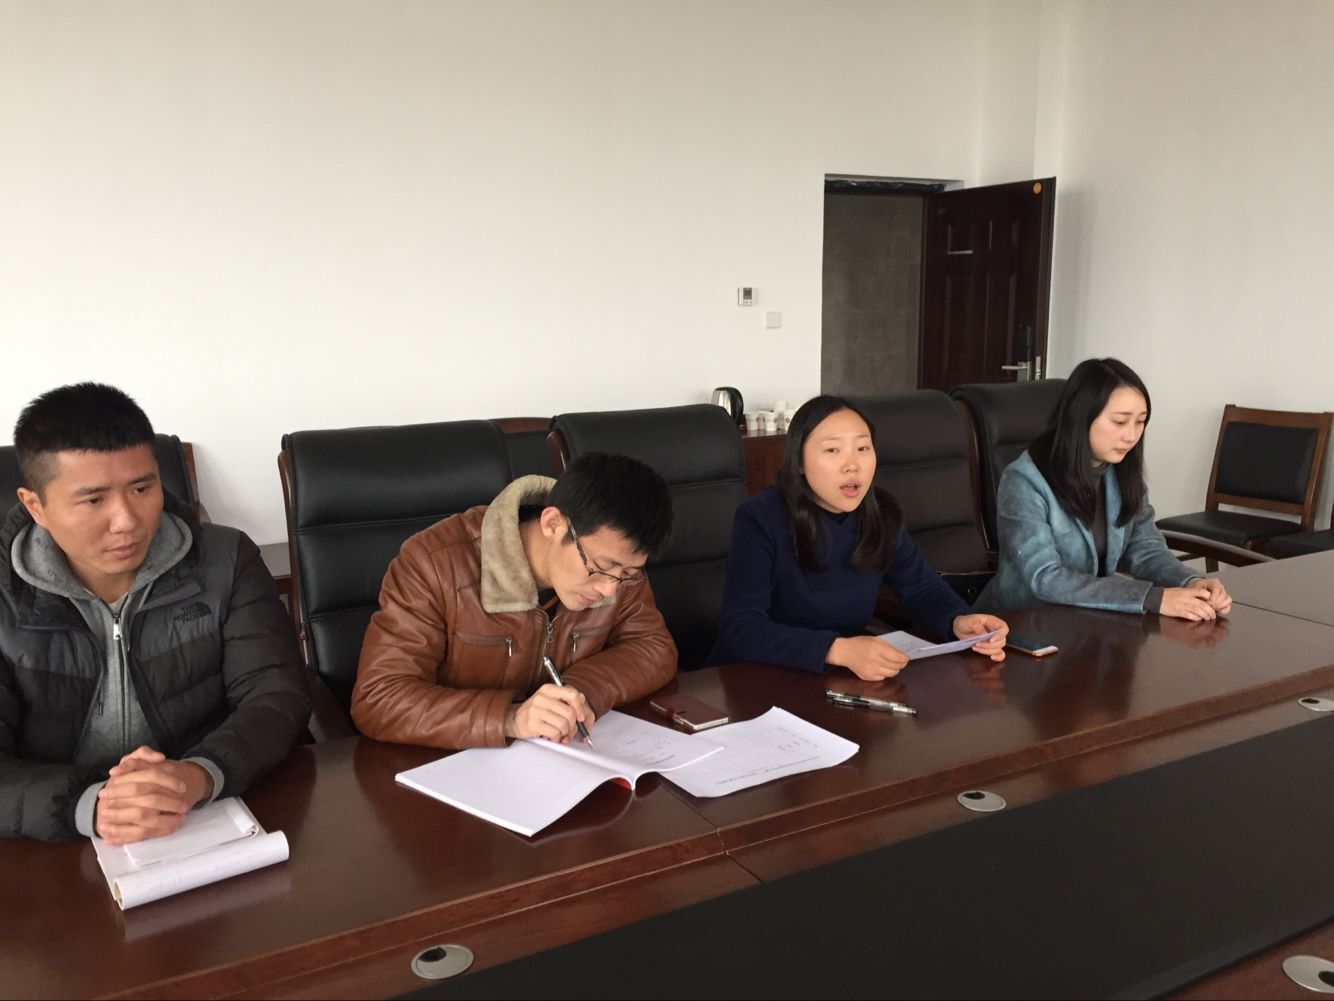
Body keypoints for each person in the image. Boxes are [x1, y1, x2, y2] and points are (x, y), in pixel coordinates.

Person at [1, 383, 310, 844]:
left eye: (142, 488)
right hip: (56, 841)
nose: (127, 520)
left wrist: (202, 773)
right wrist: (91, 805)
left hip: (208, 815)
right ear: (35, 506)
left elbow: (274, 694)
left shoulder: (225, 559)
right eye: (94, 500)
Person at [352, 452, 677, 749]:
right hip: (446, 765)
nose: (609, 590)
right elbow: (379, 697)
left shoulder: (618, 570)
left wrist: (580, 690)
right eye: (600, 568)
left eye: (627, 574)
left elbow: (653, 647)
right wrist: (509, 718)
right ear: (552, 524)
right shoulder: (434, 564)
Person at [707, 396, 1008, 681]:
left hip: (842, 678)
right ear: (799, 462)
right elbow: (741, 630)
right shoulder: (760, 518)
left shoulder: (880, 512)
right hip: (758, 680)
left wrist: (958, 620)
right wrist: (836, 650)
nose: (852, 465)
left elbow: (921, 587)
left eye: (863, 448)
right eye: (832, 450)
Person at [975, 357, 1232, 620]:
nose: (1131, 436)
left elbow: (1145, 549)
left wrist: (1190, 581)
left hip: (1089, 621)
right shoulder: (1024, 480)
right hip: (1020, 623)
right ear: (1080, 418)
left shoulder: (1120, 471)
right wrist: (1151, 598)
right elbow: (1045, 578)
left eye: (1140, 422)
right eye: (1120, 422)